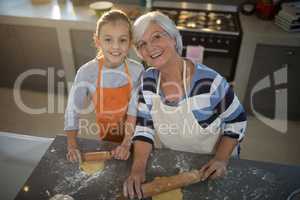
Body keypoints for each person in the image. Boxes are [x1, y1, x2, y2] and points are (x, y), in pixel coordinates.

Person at [123, 11, 247, 199]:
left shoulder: (208, 83)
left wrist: (221, 159)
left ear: (173, 38)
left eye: (157, 36)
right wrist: (138, 169)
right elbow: (144, 127)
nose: (151, 47)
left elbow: (237, 121)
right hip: (176, 161)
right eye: (142, 44)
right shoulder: (147, 81)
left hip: (213, 165)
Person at [64, 10, 143, 162]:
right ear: (97, 41)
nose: (116, 47)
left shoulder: (137, 71)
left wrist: (127, 143)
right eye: (108, 40)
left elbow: (135, 112)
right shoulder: (87, 72)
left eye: (122, 40)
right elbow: (72, 110)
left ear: (130, 42)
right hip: (105, 135)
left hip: (135, 135)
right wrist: (72, 145)